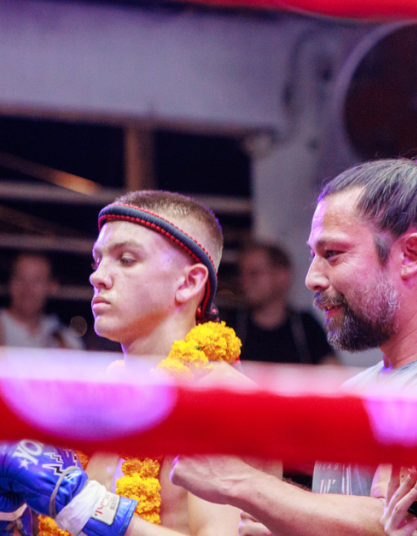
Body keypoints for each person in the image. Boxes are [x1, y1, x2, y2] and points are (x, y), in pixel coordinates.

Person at [169, 138, 417, 536]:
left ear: (410, 256)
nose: (312, 277)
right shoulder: (360, 389)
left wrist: (240, 483)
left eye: (333, 254)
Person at [0, 190, 269, 536]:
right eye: (98, 262)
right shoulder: (101, 394)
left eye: (125, 259)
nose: (98, 277)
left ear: (188, 282)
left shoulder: (222, 397)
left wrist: (85, 506)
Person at [232, 241, 334, 365]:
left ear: (282, 276)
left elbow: (333, 374)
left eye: (254, 273)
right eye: (241, 273)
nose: (244, 281)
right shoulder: (232, 326)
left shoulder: (305, 327)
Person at [1, 252, 83, 350]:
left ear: (52, 286)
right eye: (20, 278)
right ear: (10, 282)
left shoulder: (63, 337)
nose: (27, 288)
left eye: (37, 280)